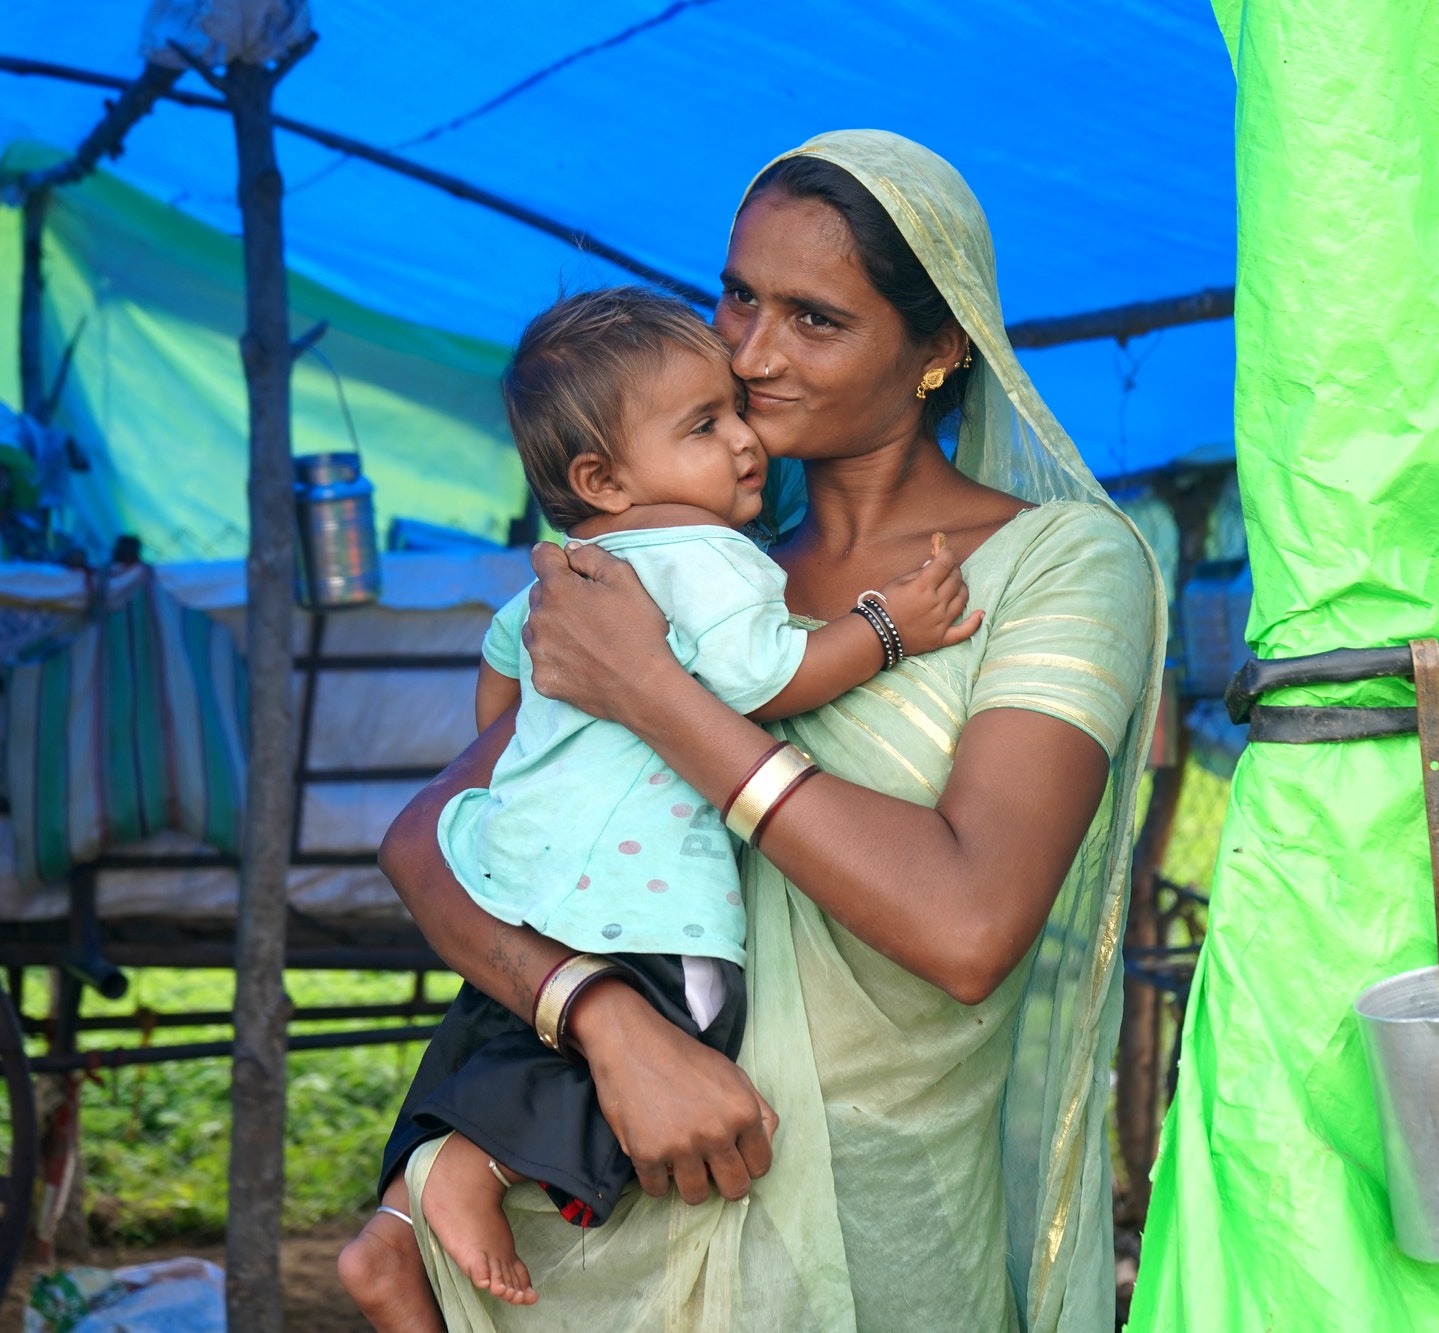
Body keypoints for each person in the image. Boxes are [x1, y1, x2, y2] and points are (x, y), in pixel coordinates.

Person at [337, 130, 1166, 1332]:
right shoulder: (678, 567)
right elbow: (429, 840)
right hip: (606, 1233)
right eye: (737, 296)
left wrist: (656, 695)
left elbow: (967, 925)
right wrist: (607, 1021)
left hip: (876, 1241)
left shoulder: (1056, 564)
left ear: (939, 349)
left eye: (814, 319)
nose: (752, 352)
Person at [348, 283, 981, 1315]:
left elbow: (501, 683)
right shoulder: (709, 556)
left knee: (501, 1026)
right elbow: (763, 679)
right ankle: (475, 1165)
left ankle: (396, 1227)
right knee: (692, 1028)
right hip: (648, 901)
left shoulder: (565, 574)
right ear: (599, 477)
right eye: (705, 425)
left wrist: (544, 768)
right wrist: (885, 628)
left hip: (518, 877)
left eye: (733, 413)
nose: (745, 439)